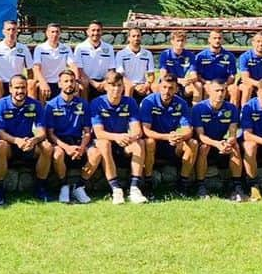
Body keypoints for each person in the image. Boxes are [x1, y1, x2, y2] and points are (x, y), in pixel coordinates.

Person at [89, 70, 147, 204]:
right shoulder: (97, 103)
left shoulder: (130, 102)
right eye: (112, 85)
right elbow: (99, 133)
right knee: (104, 143)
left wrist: (130, 137)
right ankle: (116, 189)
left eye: (119, 85)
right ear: (106, 86)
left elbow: (137, 130)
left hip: (123, 142)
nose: (116, 89)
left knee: (140, 144)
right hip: (107, 142)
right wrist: (117, 137)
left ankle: (134, 188)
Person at [0, 73, 53, 202]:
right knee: (1, 145)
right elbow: (0, 132)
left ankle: (41, 187)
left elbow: (42, 132)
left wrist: (34, 140)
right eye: (16, 88)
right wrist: (16, 141)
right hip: (10, 144)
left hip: (29, 145)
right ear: (10, 89)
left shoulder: (35, 105)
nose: (20, 91)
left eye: (23, 87)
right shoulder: (0, 104)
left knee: (47, 147)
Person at [43, 70, 99, 204]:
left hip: (79, 142)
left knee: (96, 153)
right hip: (60, 142)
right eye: (66, 81)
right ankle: (64, 186)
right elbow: (50, 134)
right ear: (60, 84)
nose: (69, 84)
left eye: (72, 81)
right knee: (57, 155)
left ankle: (79, 186)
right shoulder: (51, 105)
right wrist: (67, 147)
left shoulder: (83, 104)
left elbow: (87, 131)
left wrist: (82, 147)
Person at [139, 72, 197, 197]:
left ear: (176, 89)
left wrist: (179, 137)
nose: (167, 91)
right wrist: (167, 137)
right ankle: (148, 183)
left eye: (171, 88)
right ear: (159, 87)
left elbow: (188, 130)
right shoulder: (149, 102)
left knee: (193, 143)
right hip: (155, 144)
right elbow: (146, 131)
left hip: (173, 145)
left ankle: (183, 184)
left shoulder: (181, 103)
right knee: (149, 142)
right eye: (164, 87)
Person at [191, 79, 244, 201]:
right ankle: (201, 186)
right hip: (205, 144)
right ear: (209, 91)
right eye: (217, 90)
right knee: (205, 147)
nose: (220, 94)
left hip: (221, 144)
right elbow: (201, 136)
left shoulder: (231, 109)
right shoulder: (199, 108)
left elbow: (232, 133)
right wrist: (217, 144)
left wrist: (228, 142)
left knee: (235, 146)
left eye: (223, 90)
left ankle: (237, 186)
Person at [0, 19, 33, 104]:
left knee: (31, 83)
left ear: (17, 32)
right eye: (8, 29)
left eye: (13, 29)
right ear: (3, 32)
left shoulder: (23, 48)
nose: (11, 32)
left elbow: (30, 71)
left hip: (17, 83)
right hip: (1, 85)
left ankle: (29, 110)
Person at [192, 29, 239, 107]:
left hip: (224, 84)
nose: (217, 40)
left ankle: (234, 113)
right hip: (207, 83)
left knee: (234, 89)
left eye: (219, 38)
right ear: (209, 40)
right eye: (214, 38)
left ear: (223, 40)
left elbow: (232, 75)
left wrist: (226, 84)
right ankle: (206, 112)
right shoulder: (201, 56)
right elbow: (198, 75)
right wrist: (206, 82)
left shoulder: (229, 56)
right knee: (208, 88)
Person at [30, 22, 75, 103]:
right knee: (40, 86)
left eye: (57, 32)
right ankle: (42, 113)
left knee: (76, 86)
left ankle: (77, 111)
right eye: (52, 32)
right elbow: (36, 68)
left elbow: (73, 65)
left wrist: (74, 80)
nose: (55, 34)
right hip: (45, 81)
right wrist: (43, 82)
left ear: (60, 33)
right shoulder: (40, 48)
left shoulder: (66, 48)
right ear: (47, 33)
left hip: (61, 82)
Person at [74, 21, 116, 100]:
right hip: (87, 80)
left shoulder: (109, 48)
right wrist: (93, 83)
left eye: (98, 30)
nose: (95, 33)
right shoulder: (80, 47)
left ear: (102, 32)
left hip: (104, 81)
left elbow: (111, 70)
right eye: (93, 30)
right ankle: (85, 109)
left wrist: (104, 82)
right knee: (83, 84)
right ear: (88, 32)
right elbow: (79, 70)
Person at [237, 32, 262, 107]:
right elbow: (245, 78)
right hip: (249, 83)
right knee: (248, 88)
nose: (261, 44)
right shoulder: (245, 57)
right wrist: (260, 84)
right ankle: (244, 112)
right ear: (253, 42)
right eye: (258, 41)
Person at [113, 27, 155, 102]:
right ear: (129, 38)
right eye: (133, 36)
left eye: (138, 36)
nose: (136, 38)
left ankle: (159, 111)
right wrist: (134, 86)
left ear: (141, 37)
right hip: (127, 83)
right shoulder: (121, 54)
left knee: (157, 87)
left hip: (143, 84)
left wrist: (147, 85)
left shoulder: (148, 54)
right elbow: (120, 75)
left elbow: (151, 74)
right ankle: (127, 110)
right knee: (130, 86)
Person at [158, 29, 200, 101]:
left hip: (184, 83)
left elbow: (194, 75)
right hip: (170, 82)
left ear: (185, 42)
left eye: (182, 41)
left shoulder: (190, 55)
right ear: (172, 41)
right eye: (178, 40)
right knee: (157, 86)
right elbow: (163, 75)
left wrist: (188, 80)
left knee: (198, 85)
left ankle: (196, 110)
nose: (180, 43)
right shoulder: (165, 54)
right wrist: (177, 80)